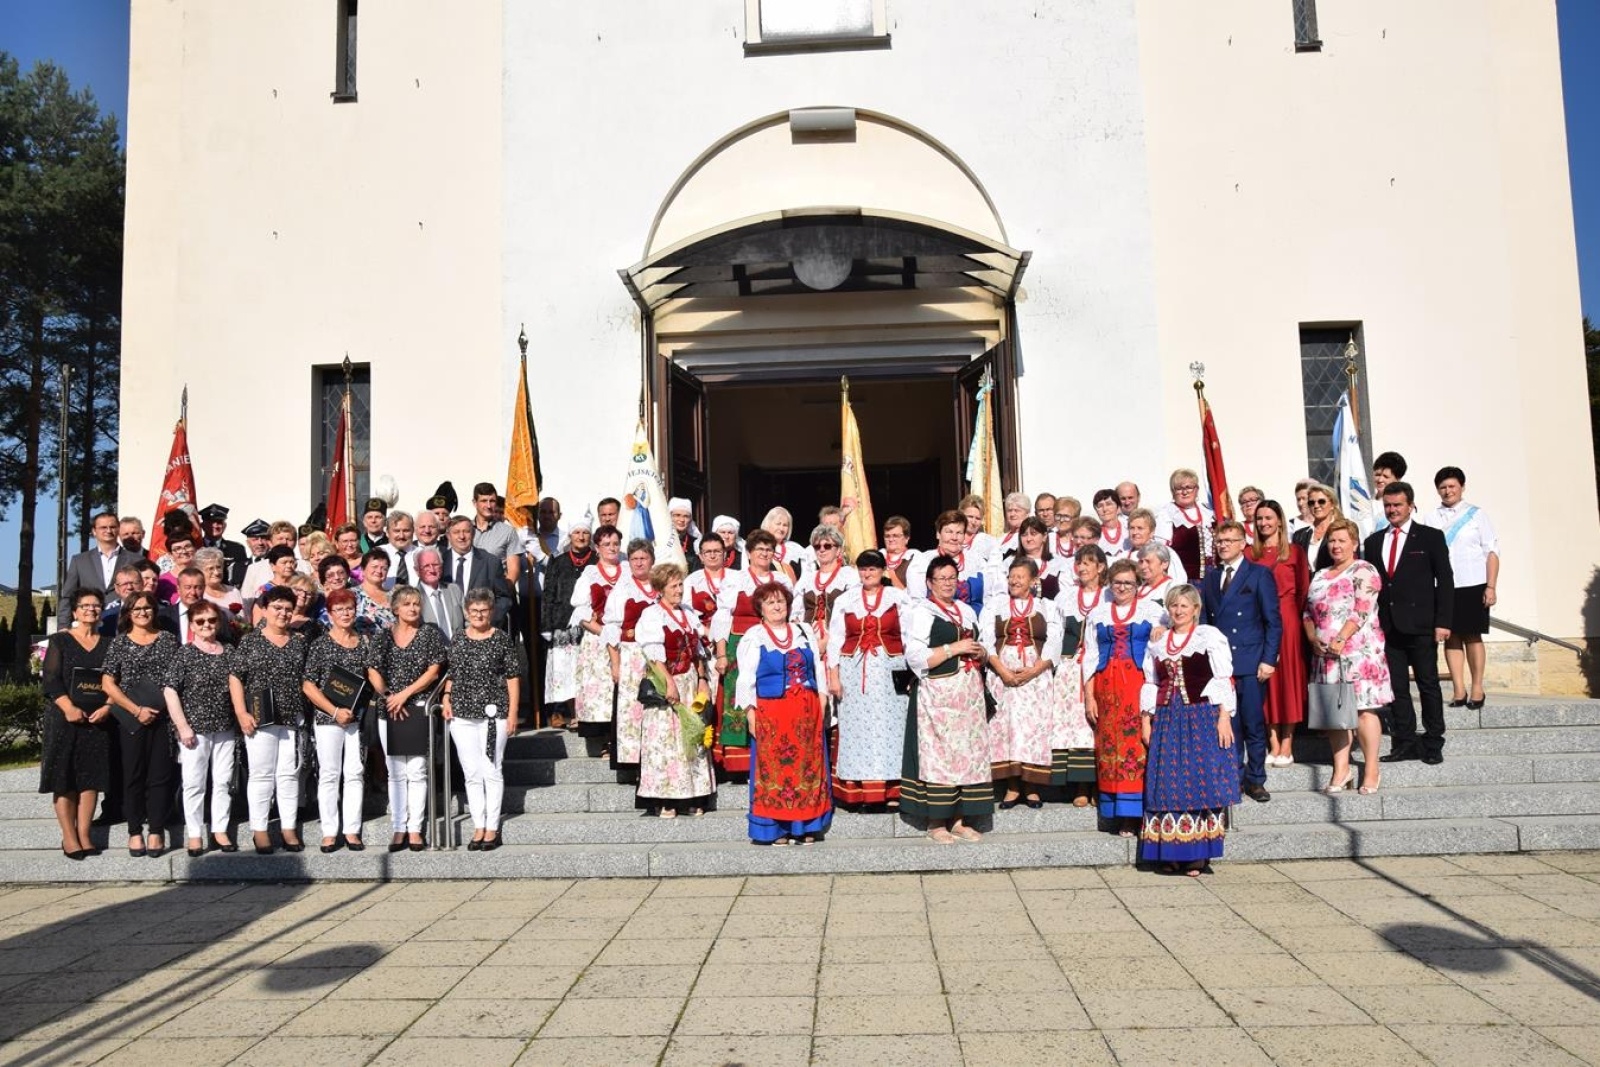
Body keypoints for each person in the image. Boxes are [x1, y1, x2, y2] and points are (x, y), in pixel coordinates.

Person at [1138, 585, 1240, 875]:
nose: (1178, 611)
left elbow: (1223, 677)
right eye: (1174, 606)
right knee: (1168, 782)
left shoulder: (1209, 637)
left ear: (1195, 609)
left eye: (1184, 606)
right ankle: (1169, 852)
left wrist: (1224, 716)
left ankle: (1197, 855)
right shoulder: (1158, 643)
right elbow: (1151, 682)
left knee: (1199, 779)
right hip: (1169, 718)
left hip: (1202, 717)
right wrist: (1146, 720)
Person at [901, 555, 992, 842]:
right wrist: (955, 648)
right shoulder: (922, 612)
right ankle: (936, 823)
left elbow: (980, 645)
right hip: (938, 695)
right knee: (940, 756)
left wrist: (980, 652)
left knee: (967, 754)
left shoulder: (966, 611)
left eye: (952, 578)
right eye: (941, 578)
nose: (948, 583)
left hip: (968, 695)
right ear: (929, 583)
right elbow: (915, 656)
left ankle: (960, 820)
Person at [733, 582, 832, 845]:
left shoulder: (804, 631)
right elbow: (745, 679)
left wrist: (822, 700)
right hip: (773, 712)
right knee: (776, 771)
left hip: (806, 710)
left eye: (780, 601)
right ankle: (776, 828)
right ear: (761, 609)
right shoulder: (754, 636)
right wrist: (750, 714)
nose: (777, 606)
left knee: (808, 769)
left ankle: (808, 825)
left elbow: (818, 669)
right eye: (770, 602)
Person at [1364, 482, 1454, 766]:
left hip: (1422, 624)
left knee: (1428, 685)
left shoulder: (1430, 537)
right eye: (1388, 505)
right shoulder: (1374, 541)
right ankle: (1405, 741)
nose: (1392, 510)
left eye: (1397, 505)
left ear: (1410, 505)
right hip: (1389, 627)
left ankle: (1432, 741)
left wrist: (1443, 621)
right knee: (1397, 688)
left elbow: (1446, 582)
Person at [1081, 558, 1166, 836]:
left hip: (1136, 685)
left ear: (1138, 585)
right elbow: (1090, 657)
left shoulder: (1152, 611)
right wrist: (1089, 696)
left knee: (1136, 746)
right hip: (1106, 686)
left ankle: (1134, 815)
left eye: (1128, 583)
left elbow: (1167, 640)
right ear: (1110, 584)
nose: (1122, 587)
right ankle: (1114, 811)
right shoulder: (1099, 614)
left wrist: (1162, 630)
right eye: (1117, 582)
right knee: (1108, 747)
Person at [1309, 519, 1395, 792]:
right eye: (1332, 541)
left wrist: (1341, 637)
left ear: (1354, 544)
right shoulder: (1320, 574)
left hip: (1358, 652)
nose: (1335, 545)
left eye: (1342, 540)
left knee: (1363, 710)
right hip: (1326, 656)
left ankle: (1371, 770)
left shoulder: (1364, 569)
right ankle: (1341, 770)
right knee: (1335, 713)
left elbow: (1362, 608)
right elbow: (1307, 612)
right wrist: (1312, 638)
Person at [1201, 520, 1281, 804]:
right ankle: (1231, 778)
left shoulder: (1258, 574)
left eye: (1229, 540)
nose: (1223, 545)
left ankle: (1256, 779)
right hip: (1221, 664)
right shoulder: (1210, 578)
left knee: (1253, 723)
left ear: (1242, 543)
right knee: (1227, 725)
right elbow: (1205, 622)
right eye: (1219, 541)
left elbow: (1273, 620)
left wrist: (1269, 659)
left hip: (1250, 661)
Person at [826, 550, 910, 808]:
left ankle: (892, 792)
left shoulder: (898, 598)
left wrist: (911, 673)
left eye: (873, 568)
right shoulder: (846, 599)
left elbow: (908, 635)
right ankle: (861, 793)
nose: (868, 573)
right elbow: (835, 640)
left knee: (891, 730)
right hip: (854, 673)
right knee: (858, 731)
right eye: (863, 568)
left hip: (890, 670)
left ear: (883, 570)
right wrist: (834, 676)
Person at [230, 585, 310, 854]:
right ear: (265, 608)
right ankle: (260, 829)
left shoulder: (299, 642)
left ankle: (288, 828)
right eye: (278, 607)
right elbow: (235, 677)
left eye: (288, 609)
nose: (283, 613)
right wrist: (241, 712)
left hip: (290, 716)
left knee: (289, 775)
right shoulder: (251, 640)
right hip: (259, 717)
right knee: (262, 775)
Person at [100, 590, 180, 858]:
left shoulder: (168, 640)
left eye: (147, 608)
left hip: (162, 717)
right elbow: (107, 683)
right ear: (128, 614)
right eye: (137, 609)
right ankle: (135, 831)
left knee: (160, 775)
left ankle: (155, 830)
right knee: (133, 775)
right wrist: (135, 710)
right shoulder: (120, 643)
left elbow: (177, 679)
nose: (143, 612)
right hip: (131, 718)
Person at [980, 557, 1063, 808]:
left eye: (1020, 576)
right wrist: (1002, 670)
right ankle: (1012, 786)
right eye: (1011, 576)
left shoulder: (1047, 607)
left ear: (1033, 581)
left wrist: (1034, 671)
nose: (1014, 580)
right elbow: (984, 639)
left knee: (1032, 727)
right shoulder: (995, 605)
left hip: (1034, 674)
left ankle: (1031, 786)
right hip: (1002, 672)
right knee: (1005, 727)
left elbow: (1055, 642)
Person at [442, 588, 522, 850]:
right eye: (474, 610)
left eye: (483, 610)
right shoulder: (458, 639)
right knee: (471, 773)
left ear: (491, 612)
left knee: (491, 770)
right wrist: (445, 697)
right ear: (466, 612)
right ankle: (478, 825)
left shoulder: (501, 639)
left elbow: (512, 678)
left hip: (493, 712)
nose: (478, 615)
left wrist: (512, 715)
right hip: (462, 714)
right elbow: (451, 674)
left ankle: (492, 826)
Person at [710, 529, 794, 774]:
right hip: (739, 645)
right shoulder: (735, 580)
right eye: (760, 549)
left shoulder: (782, 581)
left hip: (773, 646)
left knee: (770, 696)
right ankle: (739, 762)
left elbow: (792, 617)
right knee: (738, 699)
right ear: (749, 553)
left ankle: (771, 752)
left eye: (769, 549)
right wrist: (722, 653)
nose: (765, 554)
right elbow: (723, 616)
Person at [635, 563, 716, 817]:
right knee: (666, 739)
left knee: (691, 736)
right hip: (667, 680)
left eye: (680, 585)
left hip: (691, 681)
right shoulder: (652, 615)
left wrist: (703, 679)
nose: (679, 590)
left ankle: (693, 795)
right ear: (660, 589)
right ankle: (666, 798)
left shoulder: (689, 614)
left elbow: (699, 650)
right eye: (674, 586)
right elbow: (654, 654)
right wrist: (669, 682)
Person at [371, 586, 446, 851]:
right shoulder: (382, 636)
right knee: (395, 772)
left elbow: (434, 671)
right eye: (407, 604)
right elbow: (373, 669)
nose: (413, 608)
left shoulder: (429, 634)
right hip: (389, 708)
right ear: (396, 608)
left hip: (418, 707)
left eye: (416, 603)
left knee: (417, 771)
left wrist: (404, 694)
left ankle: (415, 829)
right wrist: (390, 695)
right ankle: (398, 828)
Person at [162, 598, 239, 856]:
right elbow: (171, 691)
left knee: (223, 782)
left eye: (211, 620)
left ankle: (220, 829)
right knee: (194, 783)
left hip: (225, 727)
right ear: (192, 625)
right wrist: (182, 726)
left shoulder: (229, 651)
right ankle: (194, 834)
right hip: (195, 729)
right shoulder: (184, 653)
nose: (207, 625)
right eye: (200, 621)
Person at [39, 589, 112, 859]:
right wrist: (69, 708)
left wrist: (108, 707)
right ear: (75, 612)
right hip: (64, 719)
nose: (91, 610)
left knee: (90, 778)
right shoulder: (60, 641)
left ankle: (85, 834)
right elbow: (50, 680)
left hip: (97, 721)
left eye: (96, 606)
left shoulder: (109, 644)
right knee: (64, 778)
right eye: (85, 606)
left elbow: (115, 682)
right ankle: (69, 837)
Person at [302, 588, 373, 853]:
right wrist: (333, 711)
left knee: (355, 773)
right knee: (329, 774)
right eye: (339, 609)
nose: (345, 613)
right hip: (328, 718)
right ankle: (329, 832)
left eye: (349, 608)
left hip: (356, 718)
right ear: (330, 614)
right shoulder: (320, 644)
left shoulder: (365, 642)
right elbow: (309, 685)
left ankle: (352, 830)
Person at [1426, 466, 1499, 710]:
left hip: (1473, 582)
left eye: (1452, 486)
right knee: (1451, 635)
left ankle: (1477, 686)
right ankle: (1459, 688)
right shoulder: (1431, 517)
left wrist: (1491, 586)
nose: (1448, 491)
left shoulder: (1477, 515)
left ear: (1462, 487)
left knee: (1472, 635)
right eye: (1443, 487)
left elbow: (1491, 552)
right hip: (1443, 586)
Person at [1249, 500, 1309, 766]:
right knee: (1267, 679)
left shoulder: (1295, 552)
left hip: (1288, 619)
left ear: (1279, 521)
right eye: (1259, 518)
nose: (1264, 523)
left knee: (1289, 680)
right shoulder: (1251, 554)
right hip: (1259, 621)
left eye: (1269, 518)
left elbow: (1304, 590)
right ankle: (1272, 740)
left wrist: (1293, 619)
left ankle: (1288, 741)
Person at [1053, 546, 1105, 805]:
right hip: (1070, 668)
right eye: (1079, 563)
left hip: (1099, 668)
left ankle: (1100, 783)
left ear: (1101, 567)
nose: (1082, 568)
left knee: (1097, 722)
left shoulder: (1108, 595)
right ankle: (1081, 784)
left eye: (1088, 563)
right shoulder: (1066, 597)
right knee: (1076, 727)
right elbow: (1056, 632)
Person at [604, 538, 661, 773]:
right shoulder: (623, 589)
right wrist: (615, 664)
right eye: (635, 558)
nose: (639, 563)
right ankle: (633, 764)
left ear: (652, 560)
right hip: (631, 656)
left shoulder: (661, 586)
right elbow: (611, 629)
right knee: (632, 708)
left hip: (658, 656)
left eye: (643, 558)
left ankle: (657, 756)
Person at [539, 513, 595, 730]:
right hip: (562, 627)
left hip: (589, 626)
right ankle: (573, 713)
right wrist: (546, 626)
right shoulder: (558, 561)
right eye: (577, 532)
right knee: (568, 673)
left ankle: (585, 713)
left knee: (586, 673)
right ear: (570, 535)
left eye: (585, 533)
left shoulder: (597, 560)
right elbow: (549, 594)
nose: (581, 537)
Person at [571, 525, 624, 747]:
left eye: (615, 544)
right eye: (606, 544)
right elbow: (581, 612)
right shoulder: (590, 574)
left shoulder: (629, 569)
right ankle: (602, 740)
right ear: (597, 547)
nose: (612, 548)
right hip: (598, 638)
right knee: (600, 689)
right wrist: (605, 632)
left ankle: (621, 738)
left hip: (627, 639)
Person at [58, 511, 141, 625]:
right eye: (103, 527)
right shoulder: (80, 561)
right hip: (89, 624)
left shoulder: (136, 560)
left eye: (112, 527)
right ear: (94, 531)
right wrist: (63, 626)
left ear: (118, 530)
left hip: (125, 623)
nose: (108, 530)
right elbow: (68, 596)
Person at [794, 524, 859, 658]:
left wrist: (828, 641)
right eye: (817, 546)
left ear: (839, 550)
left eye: (827, 546)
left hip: (841, 641)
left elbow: (853, 613)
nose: (822, 550)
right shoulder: (807, 578)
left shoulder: (849, 575)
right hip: (809, 642)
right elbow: (796, 612)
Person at [444, 515, 514, 629]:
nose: (461, 536)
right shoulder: (440, 562)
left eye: (466, 531)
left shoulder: (491, 562)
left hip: (482, 631)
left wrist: (488, 621)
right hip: (448, 631)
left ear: (473, 534)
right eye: (456, 532)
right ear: (448, 536)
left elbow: (504, 599)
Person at [907, 510, 986, 610]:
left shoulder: (977, 562)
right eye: (949, 532)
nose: (954, 537)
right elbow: (917, 603)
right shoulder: (922, 562)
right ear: (938, 534)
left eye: (959, 533)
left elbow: (989, 598)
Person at [1153, 468, 1214, 581]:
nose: (1185, 492)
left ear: (1196, 489)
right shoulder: (1166, 515)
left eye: (1189, 487)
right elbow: (1161, 551)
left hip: (1214, 579)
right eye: (1179, 488)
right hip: (1184, 580)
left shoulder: (1209, 512)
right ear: (1172, 491)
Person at [470, 482, 522, 584]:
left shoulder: (508, 532)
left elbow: (513, 571)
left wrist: (503, 594)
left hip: (495, 593)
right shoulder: (464, 530)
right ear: (474, 503)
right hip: (468, 594)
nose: (488, 505)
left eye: (492, 501)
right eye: (484, 501)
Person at [1128, 509, 1188, 586]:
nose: (1135, 532)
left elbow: (1179, 583)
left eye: (1140, 528)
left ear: (1151, 532)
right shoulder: (1123, 556)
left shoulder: (1166, 552)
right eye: (1132, 528)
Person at [1292, 482, 1341, 573]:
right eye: (1311, 502)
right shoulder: (1299, 536)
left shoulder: (1344, 530)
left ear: (1332, 505)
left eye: (1321, 501)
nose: (1316, 505)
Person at [199, 503, 250, 589]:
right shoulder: (196, 548)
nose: (215, 526)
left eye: (219, 522)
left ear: (224, 526)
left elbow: (242, 577)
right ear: (202, 526)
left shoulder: (237, 549)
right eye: (210, 522)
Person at [193, 547, 245, 626]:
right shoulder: (198, 596)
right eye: (211, 568)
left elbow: (246, 620)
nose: (216, 572)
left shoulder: (234, 591)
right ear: (200, 571)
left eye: (218, 567)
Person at [354, 550, 396, 634]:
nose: (379, 571)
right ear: (363, 569)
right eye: (374, 566)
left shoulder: (395, 596)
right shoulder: (352, 595)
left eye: (384, 568)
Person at [760, 507, 806, 581]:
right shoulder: (758, 546)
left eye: (785, 525)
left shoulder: (795, 549)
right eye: (778, 524)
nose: (781, 529)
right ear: (768, 524)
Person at [1371, 451, 1408, 533]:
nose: (1380, 480)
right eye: (1377, 475)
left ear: (1397, 479)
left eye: (1386, 476)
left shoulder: (1405, 506)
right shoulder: (1367, 503)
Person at [380, 510, 418, 587]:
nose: (401, 536)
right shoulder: (378, 553)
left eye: (406, 531)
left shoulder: (422, 554)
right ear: (387, 532)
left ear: (413, 531)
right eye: (396, 531)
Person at [880, 515, 918, 591]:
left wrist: (890, 574)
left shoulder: (913, 557)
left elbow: (914, 594)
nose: (891, 539)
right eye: (887, 536)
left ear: (907, 538)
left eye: (895, 536)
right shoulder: (879, 555)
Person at [957, 494, 997, 563]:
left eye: (978, 518)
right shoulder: (951, 539)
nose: (973, 522)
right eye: (970, 517)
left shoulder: (989, 542)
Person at [993, 491, 1032, 558]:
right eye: (1009, 510)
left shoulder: (1028, 537)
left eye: (1017, 510)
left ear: (1027, 514)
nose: (1012, 514)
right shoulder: (1001, 538)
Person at [1093, 490, 1129, 558]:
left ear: (1118, 508)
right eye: (1100, 506)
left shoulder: (1129, 528)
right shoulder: (1095, 535)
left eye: (1109, 504)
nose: (1104, 509)